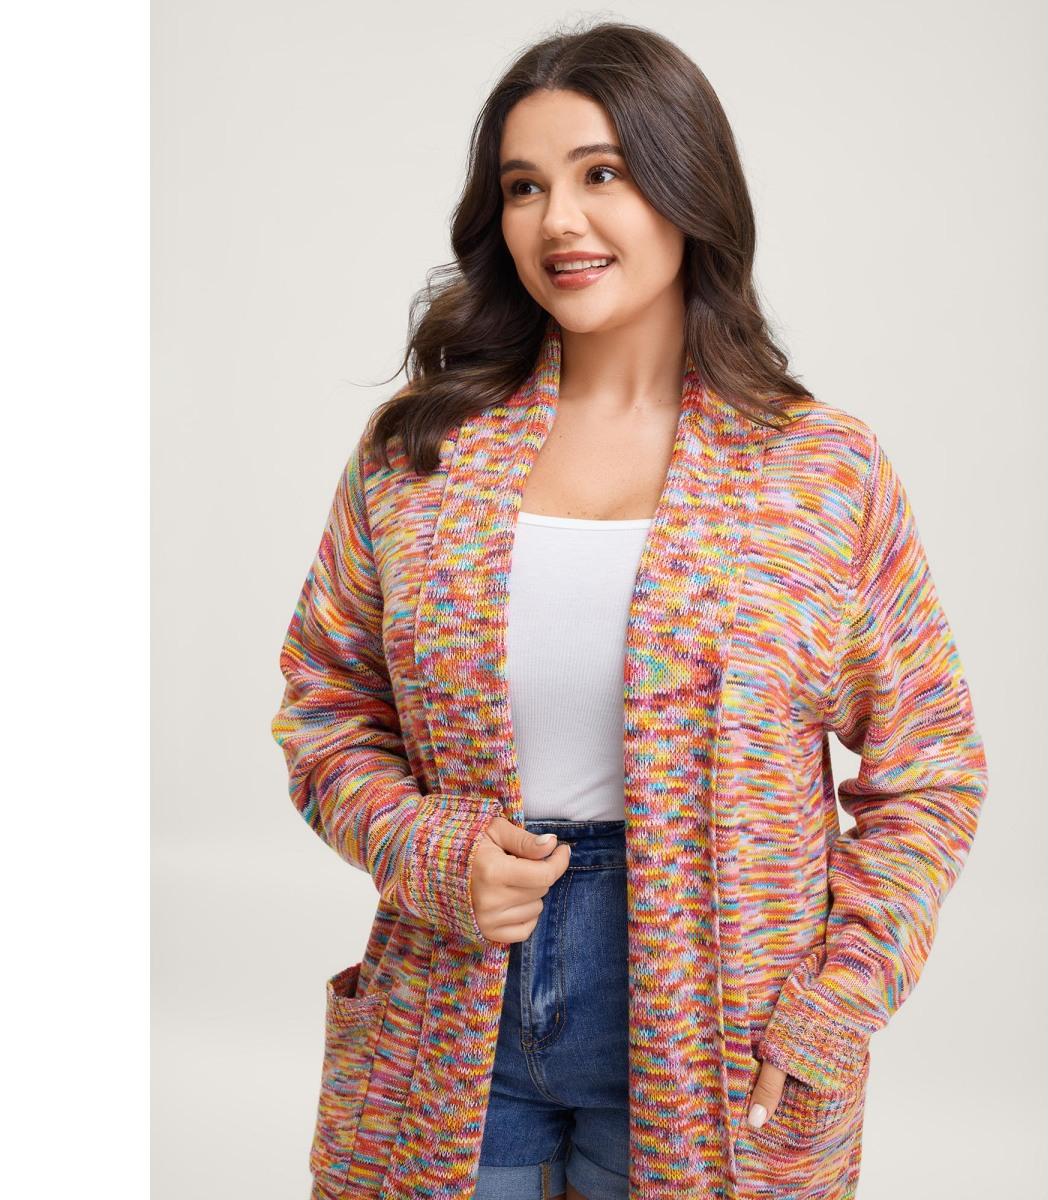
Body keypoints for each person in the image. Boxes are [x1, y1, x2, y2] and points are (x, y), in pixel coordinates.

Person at [270, 19, 988, 1200]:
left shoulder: (819, 470)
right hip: (451, 999)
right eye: (524, 186)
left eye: (600, 173)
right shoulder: (422, 453)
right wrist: (427, 851)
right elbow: (324, 708)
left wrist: (840, 998)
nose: (558, 219)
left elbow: (933, 770)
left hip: (724, 1034)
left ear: (686, 185)